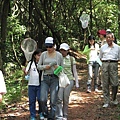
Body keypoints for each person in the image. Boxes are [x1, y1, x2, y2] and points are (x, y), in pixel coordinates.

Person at [37, 37, 63, 120]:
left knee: (53, 99)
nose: (48, 48)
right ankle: (45, 113)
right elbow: (38, 66)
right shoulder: (44, 54)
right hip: (45, 78)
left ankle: (51, 116)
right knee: (42, 99)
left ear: (54, 46)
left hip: (54, 78)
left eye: (50, 46)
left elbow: (62, 68)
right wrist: (45, 67)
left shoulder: (59, 55)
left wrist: (57, 67)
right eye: (47, 46)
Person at [55, 43, 79, 120]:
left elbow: (74, 71)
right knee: (59, 98)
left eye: (64, 50)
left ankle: (65, 114)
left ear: (68, 50)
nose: (63, 52)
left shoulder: (71, 59)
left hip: (69, 80)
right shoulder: (57, 58)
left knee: (66, 97)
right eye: (61, 50)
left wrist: (77, 82)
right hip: (60, 80)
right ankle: (59, 115)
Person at [99, 33, 120, 108]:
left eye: (110, 38)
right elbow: (100, 57)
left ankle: (114, 98)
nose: (108, 39)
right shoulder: (103, 47)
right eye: (107, 37)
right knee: (105, 83)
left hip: (113, 64)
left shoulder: (117, 47)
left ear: (113, 39)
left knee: (115, 83)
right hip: (105, 64)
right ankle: (106, 101)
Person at [24, 49, 43, 120]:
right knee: (32, 101)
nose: (39, 57)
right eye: (38, 55)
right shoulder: (31, 63)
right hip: (31, 84)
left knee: (40, 99)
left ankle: (41, 112)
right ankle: (32, 115)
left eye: (41, 55)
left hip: (40, 84)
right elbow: (27, 73)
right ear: (35, 56)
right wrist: (24, 71)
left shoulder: (43, 63)